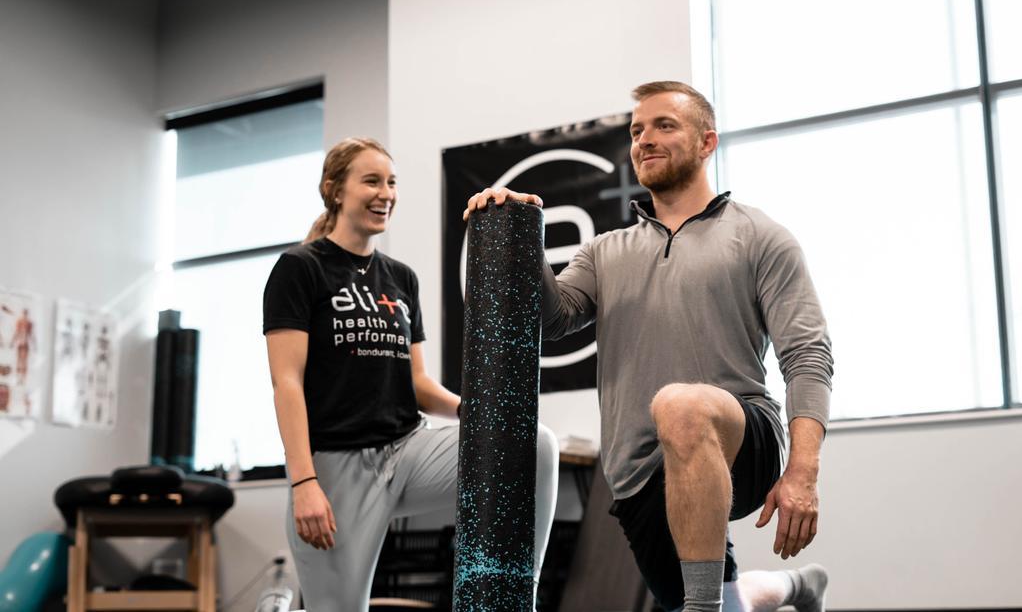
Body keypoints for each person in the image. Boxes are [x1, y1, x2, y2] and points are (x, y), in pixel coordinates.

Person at [464, 82, 833, 612]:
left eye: (665, 125)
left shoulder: (758, 236)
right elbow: (553, 319)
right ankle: (796, 585)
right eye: (637, 130)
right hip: (638, 469)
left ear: (707, 143)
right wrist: (519, 235)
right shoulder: (605, 251)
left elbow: (807, 355)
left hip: (741, 436)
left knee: (682, 406)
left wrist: (803, 473)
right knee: (725, 601)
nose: (644, 139)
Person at [264, 137, 559, 611]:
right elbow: (287, 383)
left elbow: (417, 384)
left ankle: (518, 592)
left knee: (532, 441)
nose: (386, 193)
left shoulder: (400, 278)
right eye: (372, 181)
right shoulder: (300, 269)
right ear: (335, 190)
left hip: (407, 449)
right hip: (337, 467)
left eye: (392, 182)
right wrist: (303, 483)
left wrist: (476, 414)